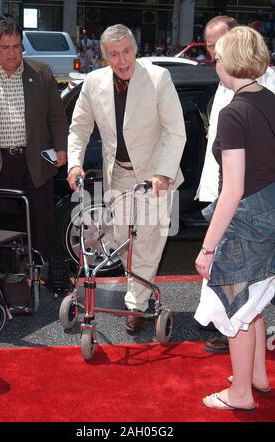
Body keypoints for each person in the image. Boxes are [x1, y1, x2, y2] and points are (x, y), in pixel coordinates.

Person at [67, 24, 186, 333]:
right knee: (122, 239)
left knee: (146, 241)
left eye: (127, 52)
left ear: (136, 49)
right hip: (117, 173)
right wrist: (74, 164)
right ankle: (138, 292)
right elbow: (79, 127)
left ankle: (137, 305)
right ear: (104, 55)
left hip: (155, 175)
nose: (122, 61)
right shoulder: (93, 82)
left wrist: (164, 172)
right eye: (114, 54)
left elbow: (175, 130)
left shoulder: (158, 78)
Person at [194, 25, 275, 411]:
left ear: (233, 62)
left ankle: (241, 393)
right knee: (255, 298)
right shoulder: (272, 100)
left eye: (219, 56)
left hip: (247, 221)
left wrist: (208, 248)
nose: (215, 62)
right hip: (271, 214)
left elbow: (233, 189)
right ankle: (257, 376)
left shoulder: (233, 112)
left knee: (236, 307)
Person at [0, 18, 68, 261]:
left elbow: (56, 116)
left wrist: (60, 148)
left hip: (34, 162)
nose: (12, 53)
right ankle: (4, 285)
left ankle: (48, 276)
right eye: (5, 47)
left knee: (42, 224)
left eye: (16, 46)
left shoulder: (41, 72)